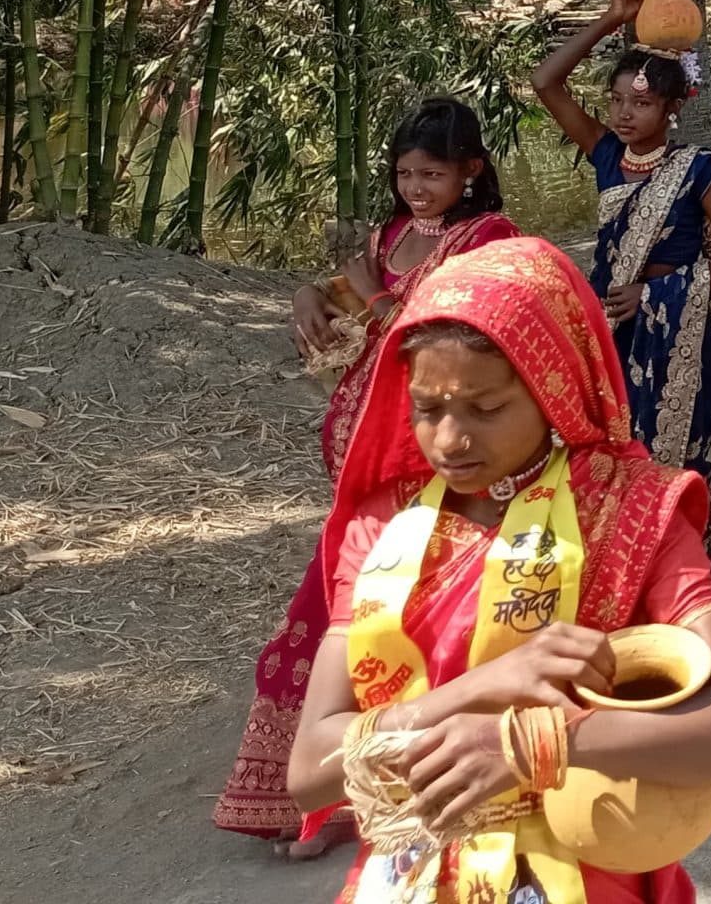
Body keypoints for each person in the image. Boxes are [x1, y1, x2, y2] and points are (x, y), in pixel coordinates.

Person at [281, 237, 711, 902]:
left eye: (485, 409)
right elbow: (312, 769)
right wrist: (483, 688)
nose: (451, 439)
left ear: (555, 388)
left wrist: (530, 744)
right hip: (408, 877)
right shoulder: (383, 525)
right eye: (427, 409)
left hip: (583, 873)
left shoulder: (628, 509)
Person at [219, 97, 520, 847]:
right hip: (363, 462)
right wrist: (307, 296)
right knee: (345, 611)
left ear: (471, 172)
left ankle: (403, 789)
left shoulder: (490, 239)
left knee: (409, 617)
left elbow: (451, 336)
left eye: (433, 174)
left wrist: (375, 289)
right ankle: (324, 797)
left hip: (439, 458)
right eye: (406, 173)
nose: (417, 189)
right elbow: (335, 297)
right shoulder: (389, 236)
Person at [533, 0, 711, 480]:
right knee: (605, 461)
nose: (624, 114)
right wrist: (613, 20)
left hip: (677, 332)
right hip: (610, 328)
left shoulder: (699, 170)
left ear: (672, 109)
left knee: (674, 469)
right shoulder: (608, 154)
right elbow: (546, 82)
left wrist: (654, 294)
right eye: (615, 101)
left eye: (641, 104)